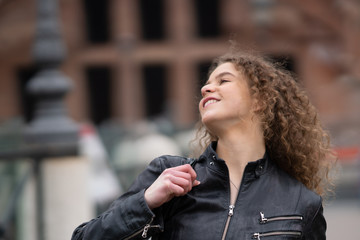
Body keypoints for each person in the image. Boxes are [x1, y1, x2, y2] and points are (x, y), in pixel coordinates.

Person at [72, 50, 335, 240]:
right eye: (206, 83)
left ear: (260, 101)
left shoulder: (301, 202)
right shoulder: (169, 176)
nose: (206, 89)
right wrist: (146, 202)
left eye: (223, 81)